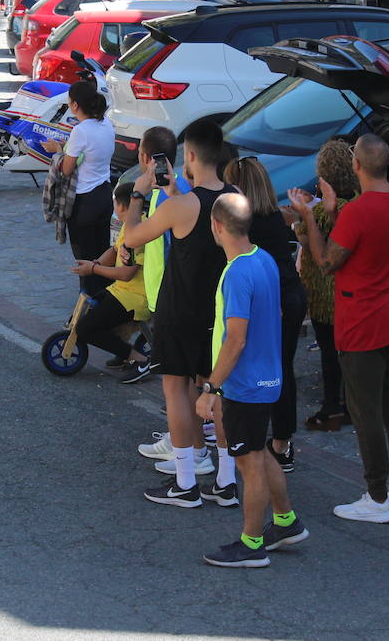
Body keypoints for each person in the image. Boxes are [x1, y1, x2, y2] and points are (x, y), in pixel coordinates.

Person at [288, 133, 389, 523]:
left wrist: (311, 218)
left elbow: (327, 261)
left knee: (365, 413)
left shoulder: (359, 212)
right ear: (388, 160)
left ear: (356, 167)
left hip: (360, 320)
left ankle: (376, 497)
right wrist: (332, 210)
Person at [122, 119, 238, 508]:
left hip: (179, 309)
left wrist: (139, 195)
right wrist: (173, 188)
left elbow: (132, 236)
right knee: (215, 391)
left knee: (175, 391)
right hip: (220, 311)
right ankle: (226, 480)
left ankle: (185, 482)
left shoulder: (182, 206)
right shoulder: (235, 199)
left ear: (188, 155)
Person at [198, 192, 308, 567]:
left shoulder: (237, 273)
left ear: (216, 226)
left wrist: (210, 386)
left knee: (247, 461)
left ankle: (252, 544)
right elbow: (274, 313)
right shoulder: (263, 259)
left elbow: (236, 338)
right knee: (259, 452)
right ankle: (286, 522)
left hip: (244, 384)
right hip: (267, 378)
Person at [225, 156, 307, 474]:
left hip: (277, 302)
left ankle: (272, 443)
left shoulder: (247, 223)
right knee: (282, 367)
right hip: (291, 296)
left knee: (272, 370)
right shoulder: (273, 215)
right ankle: (282, 443)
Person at [294, 139, 359, 430]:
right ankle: (353, 404)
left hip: (324, 295)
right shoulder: (357, 205)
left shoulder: (320, 212)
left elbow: (306, 237)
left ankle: (333, 405)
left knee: (330, 351)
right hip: (351, 294)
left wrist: (301, 215)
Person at [121, 125, 192, 382]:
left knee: (174, 380)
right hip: (171, 291)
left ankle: (180, 420)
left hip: (168, 294)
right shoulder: (179, 186)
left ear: (145, 158)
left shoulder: (164, 198)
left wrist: (137, 195)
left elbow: (139, 236)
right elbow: (156, 237)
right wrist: (131, 246)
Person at [68, 180, 153, 370]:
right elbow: (114, 250)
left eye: (114, 203)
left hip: (136, 297)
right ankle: (121, 350)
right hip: (122, 291)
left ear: (122, 205)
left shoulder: (140, 231)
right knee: (88, 307)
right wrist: (96, 263)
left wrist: (93, 270)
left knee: (85, 328)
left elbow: (126, 273)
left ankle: (137, 359)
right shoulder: (129, 225)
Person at [43, 81, 115, 296]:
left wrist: (57, 150)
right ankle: (104, 303)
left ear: (74, 105)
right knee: (102, 258)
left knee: (85, 262)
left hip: (84, 202)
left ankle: (87, 310)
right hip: (104, 195)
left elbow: (66, 169)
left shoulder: (80, 131)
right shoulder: (107, 124)